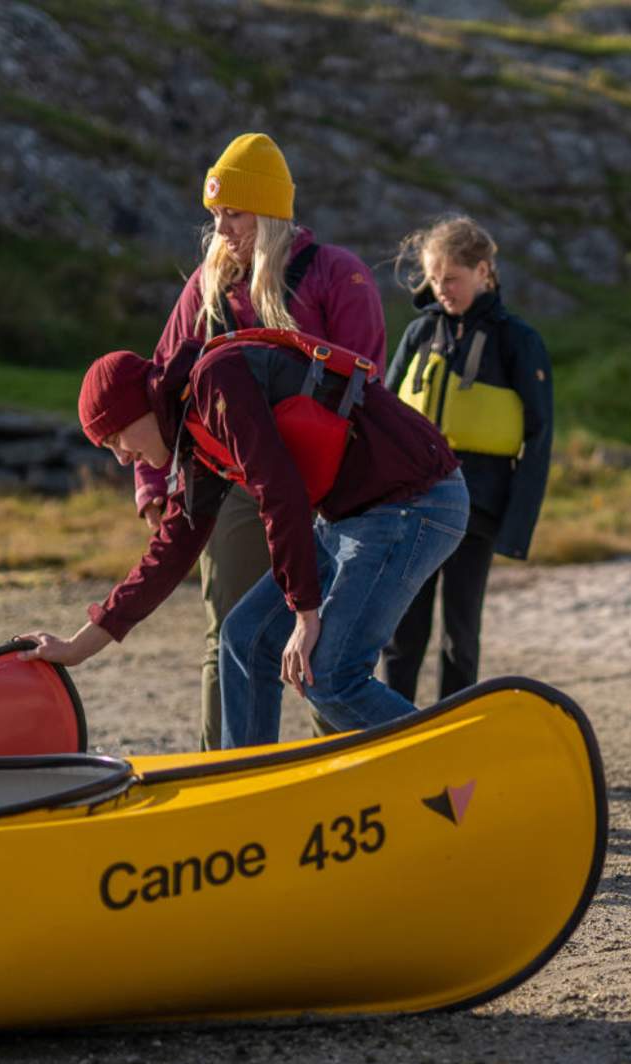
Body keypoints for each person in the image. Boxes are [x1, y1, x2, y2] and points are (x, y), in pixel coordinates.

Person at [20, 328, 465, 748]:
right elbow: (171, 551)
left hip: (416, 502)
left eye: (116, 436)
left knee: (330, 677)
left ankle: (461, 764)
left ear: (140, 405)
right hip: (352, 515)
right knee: (243, 638)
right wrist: (79, 647)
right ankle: (247, 786)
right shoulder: (190, 431)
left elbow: (280, 491)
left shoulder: (216, 380)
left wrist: (305, 616)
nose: (121, 458)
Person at [137, 132, 387, 750]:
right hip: (238, 489)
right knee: (228, 636)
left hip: (331, 493)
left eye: (236, 213)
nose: (222, 228)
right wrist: (151, 484)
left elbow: (368, 391)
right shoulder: (205, 285)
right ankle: (224, 772)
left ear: (272, 212)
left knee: (326, 641)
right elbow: (161, 380)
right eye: (216, 214)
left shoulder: (337, 275)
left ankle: (342, 772)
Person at [380, 216, 553, 704]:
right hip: (411, 508)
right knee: (401, 632)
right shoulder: (418, 333)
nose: (442, 289)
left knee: (460, 632)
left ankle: (451, 733)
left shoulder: (518, 341)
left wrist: (516, 530)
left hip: (477, 512)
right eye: (434, 279)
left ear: (483, 271)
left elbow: (539, 439)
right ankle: (391, 728)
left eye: (451, 279)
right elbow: (383, 420)